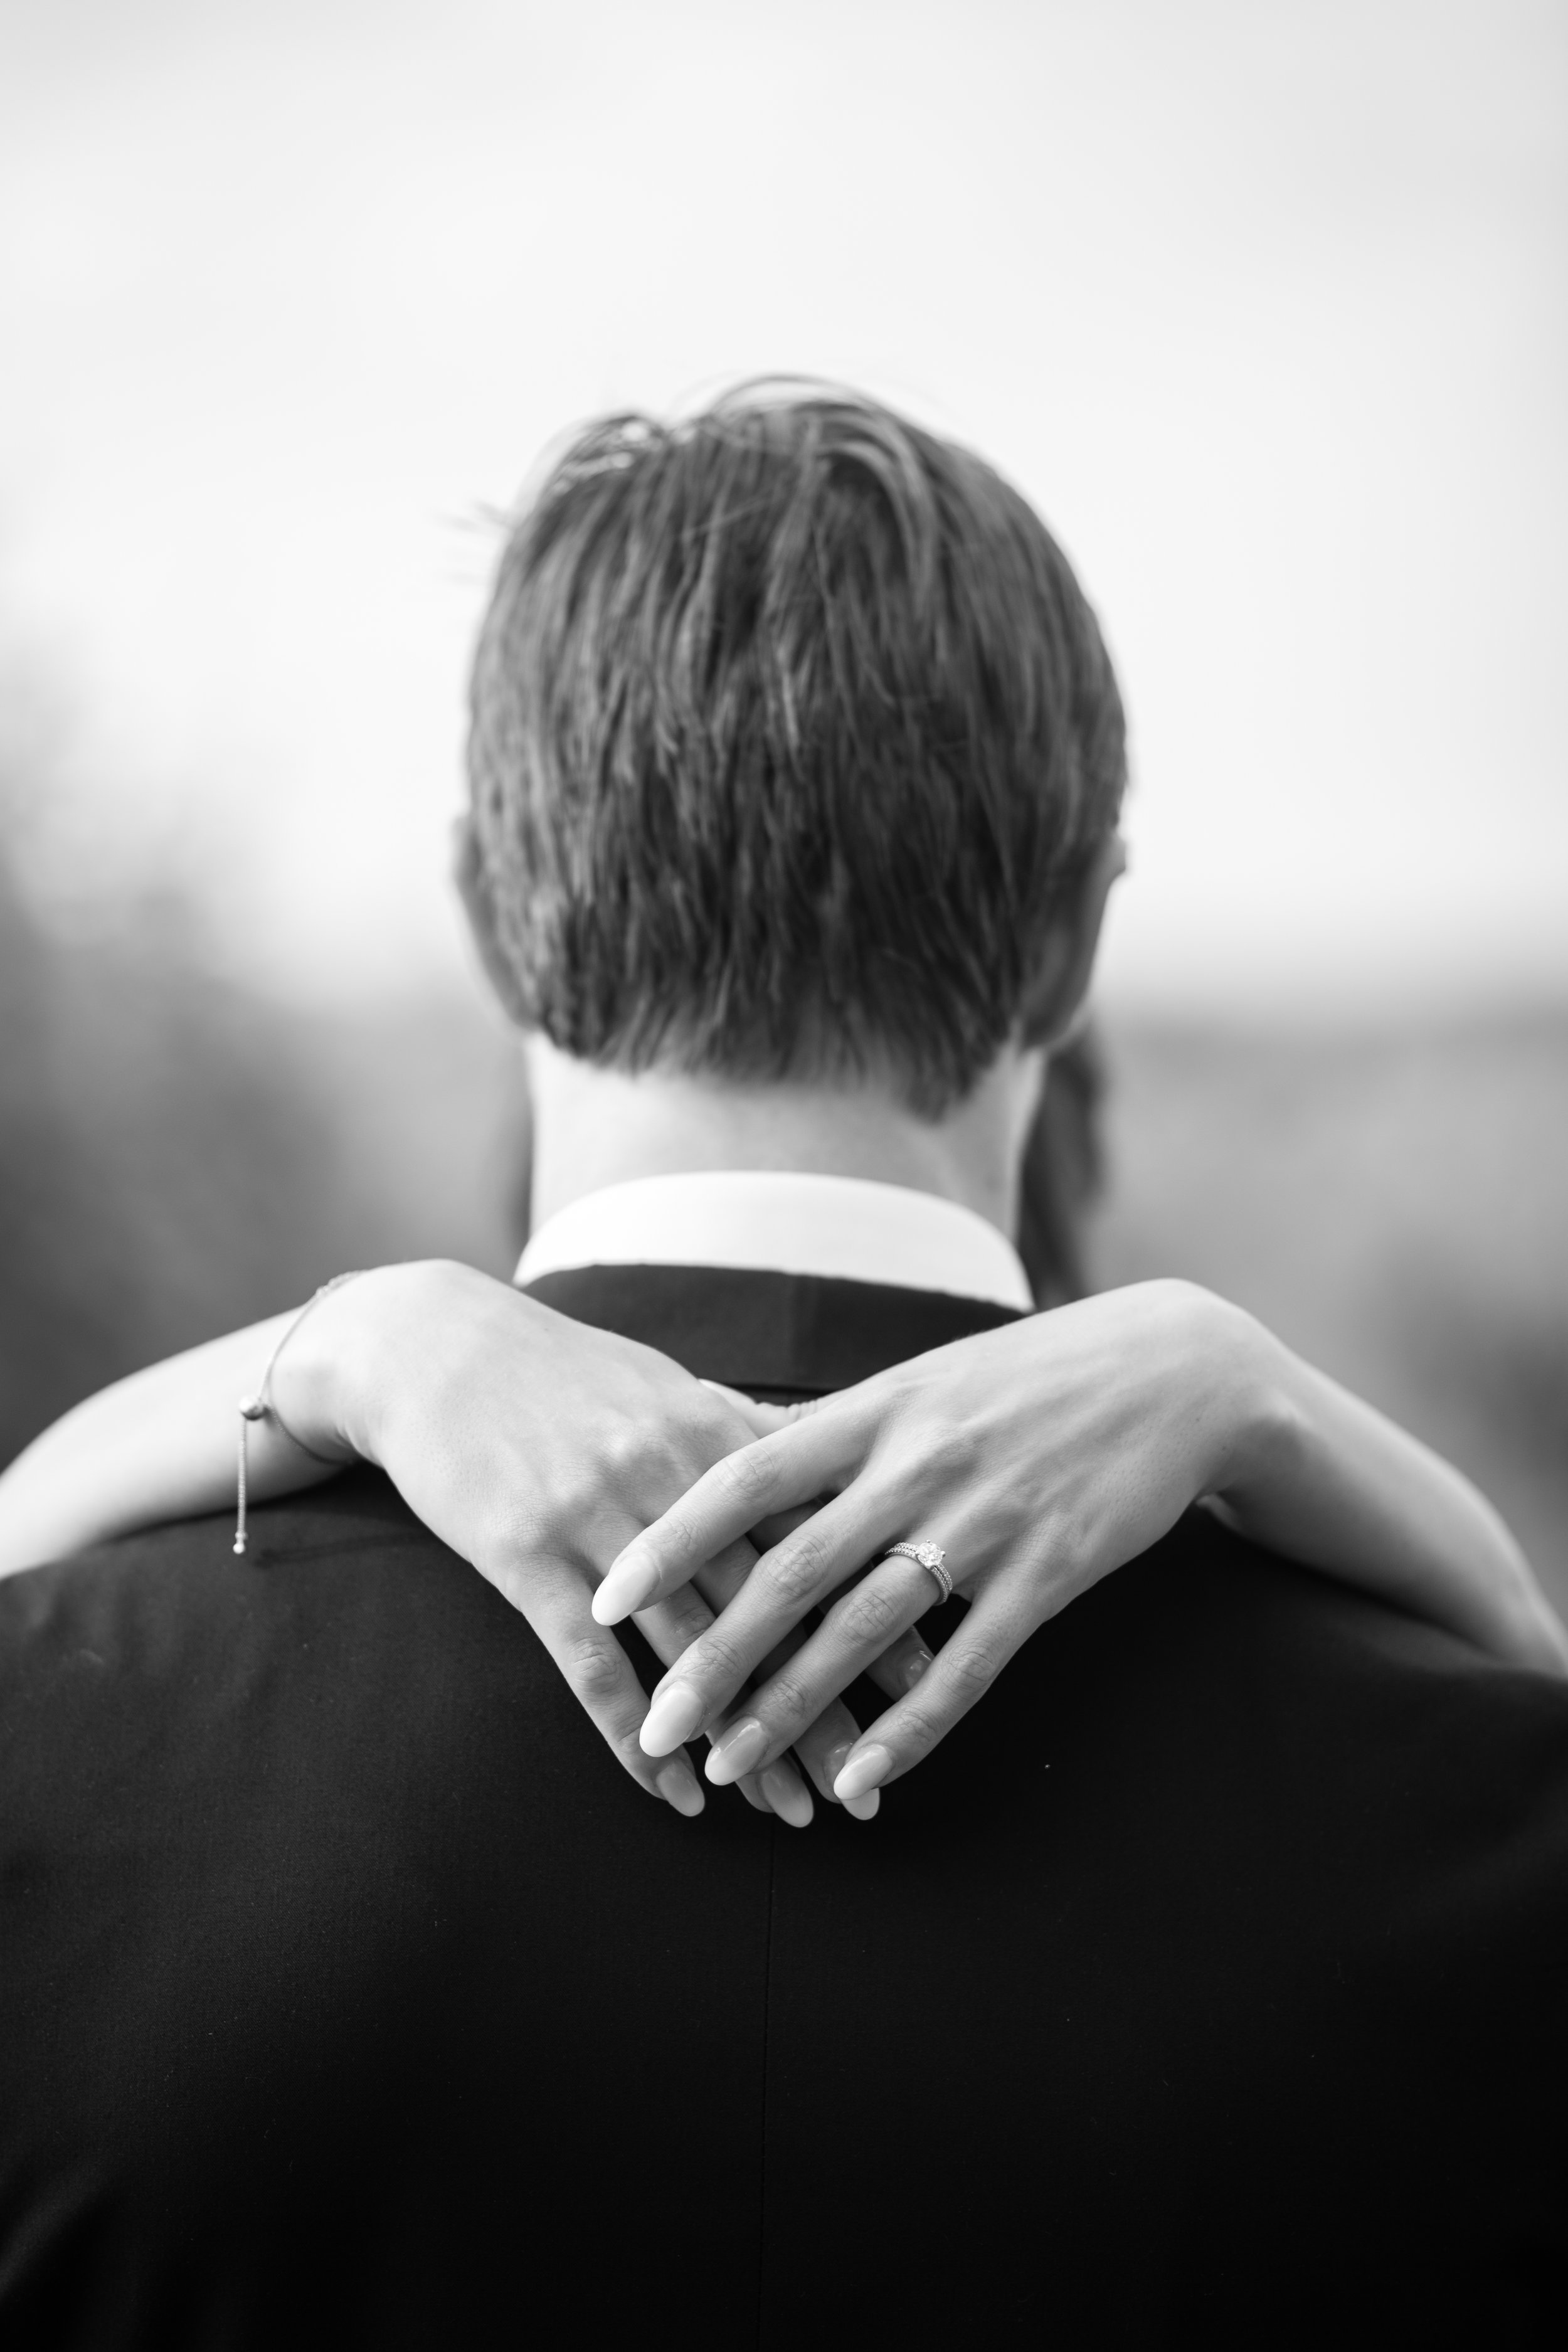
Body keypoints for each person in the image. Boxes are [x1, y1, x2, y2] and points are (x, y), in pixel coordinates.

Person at [2, 388, 1566, 2348]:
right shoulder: (1484, 1812)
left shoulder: (50, 1744)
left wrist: (334, 1346)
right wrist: (1258, 1393)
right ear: (1072, 949)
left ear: (493, 915)